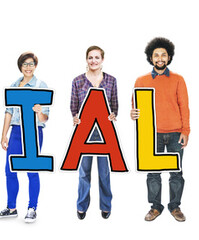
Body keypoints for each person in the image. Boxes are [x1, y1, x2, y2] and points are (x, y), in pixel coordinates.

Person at [131, 37, 189, 222]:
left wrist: (185, 131)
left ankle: (175, 206)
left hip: (174, 133)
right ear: (150, 58)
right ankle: (155, 207)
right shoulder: (141, 80)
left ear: (169, 57)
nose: (160, 58)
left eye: (163, 54)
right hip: (151, 133)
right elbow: (135, 105)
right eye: (156, 55)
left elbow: (184, 106)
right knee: (153, 173)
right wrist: (133, 113)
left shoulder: (178, 80)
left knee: (176, 173)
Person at [0, 52, 49, 223]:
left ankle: (32, 208)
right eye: (25, 64)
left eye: (31, 64)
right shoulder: (14, 85)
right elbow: (8, 112)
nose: (28, 67)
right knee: (10, 171)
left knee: (32, 171)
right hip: (15, 132)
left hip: (33, 131)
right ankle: (11, 208)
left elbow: (45, 118)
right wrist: (4, 135)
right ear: (20, 66)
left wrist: (39, 112)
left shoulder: (40, 85)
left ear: (35, 66)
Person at [70, 45, 118, 220]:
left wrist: (113, 115)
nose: (93, 61)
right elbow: (73, 106)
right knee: (84, 172)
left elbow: (115, 105)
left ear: (102, 60)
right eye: (90, 57)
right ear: (86, 59)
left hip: (105, 134)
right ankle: (81, 206)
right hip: (84, 134)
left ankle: (106, 206)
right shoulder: (77, 81)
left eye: (97, 57)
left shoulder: (111, 81)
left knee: (104, 172)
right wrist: (75, 117)